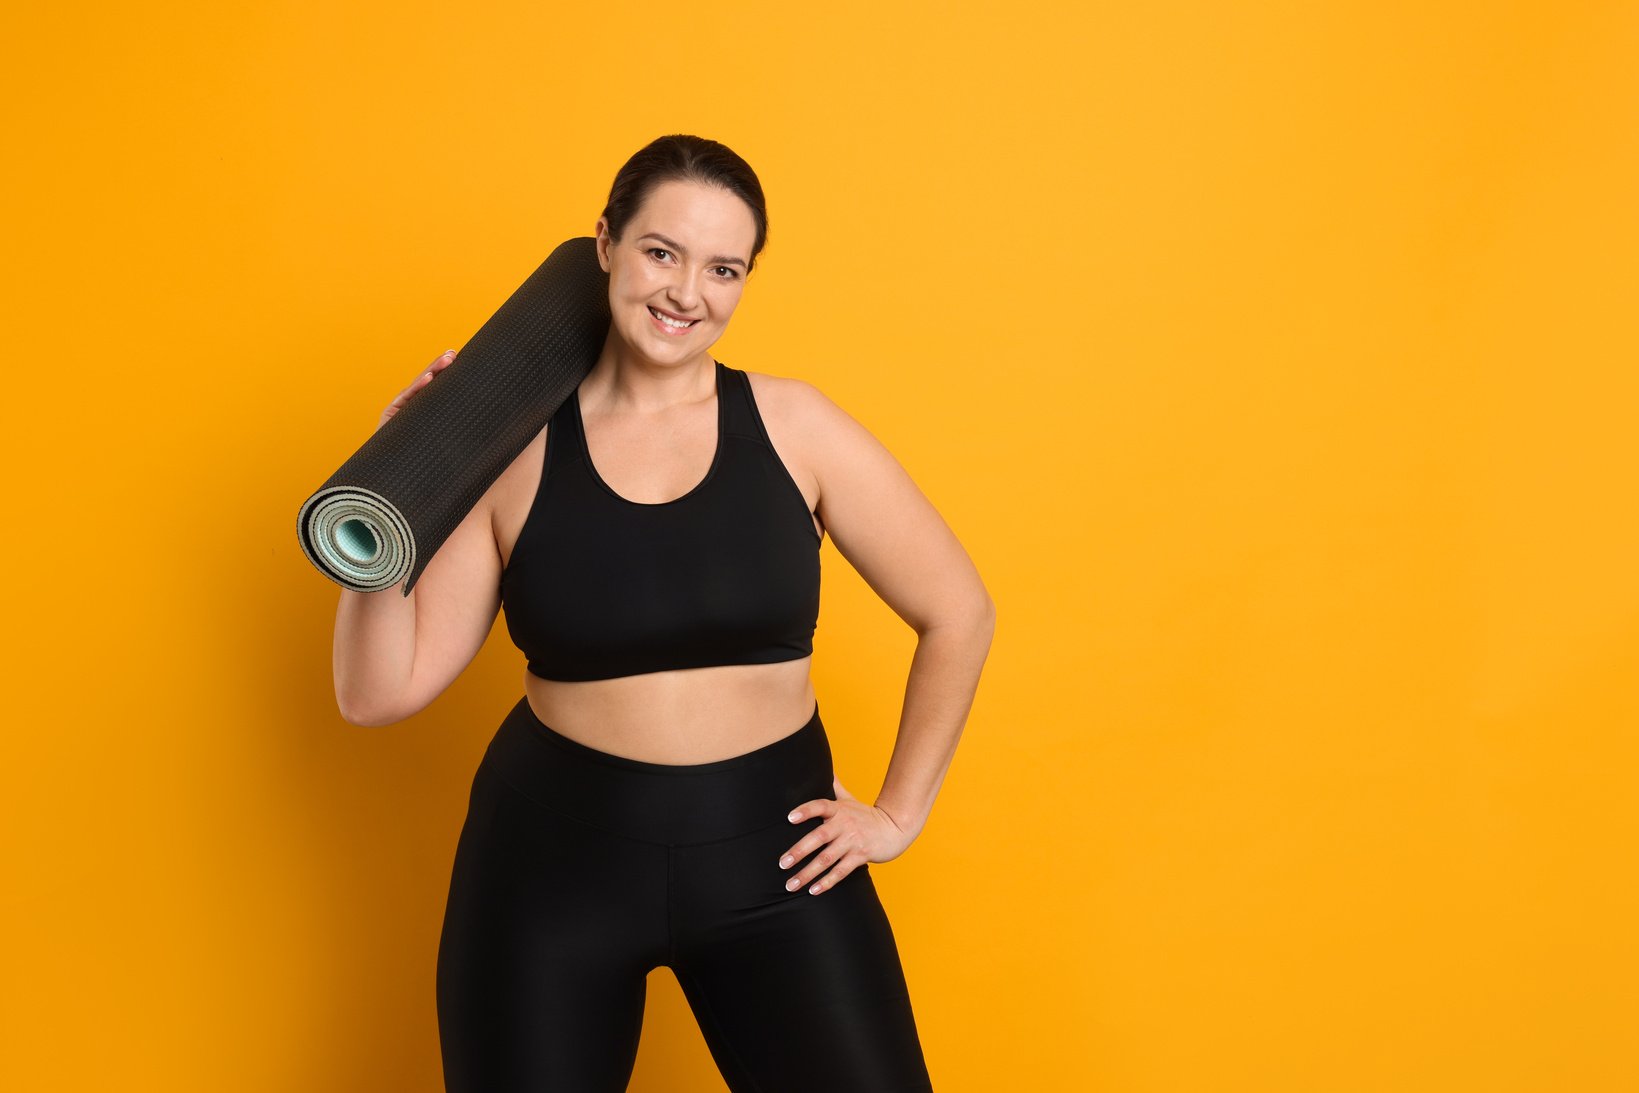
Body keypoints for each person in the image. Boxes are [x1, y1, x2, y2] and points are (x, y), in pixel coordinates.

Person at [332, 134, 995, 1093]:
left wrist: (896, 812)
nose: (688, 292)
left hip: (776, 863)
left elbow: (958, 610)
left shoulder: (796, 425)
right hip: (550, 867)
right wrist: (393, 497)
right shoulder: (506, 451)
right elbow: (376, 692)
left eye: (723, 268)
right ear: (604, 242)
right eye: (661, 252)